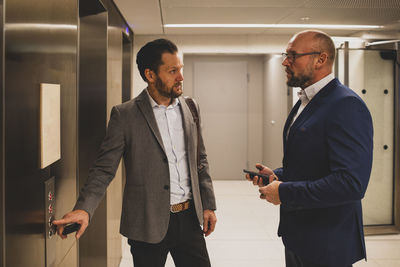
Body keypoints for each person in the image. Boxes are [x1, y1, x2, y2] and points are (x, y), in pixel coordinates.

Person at [53, 38, 217, 267]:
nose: (180, 77)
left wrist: (208, 204)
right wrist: (84, 209)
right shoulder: (125, 115)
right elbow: (103, 169)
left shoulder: (191, 108)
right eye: (172, 71)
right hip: (146, 223)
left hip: (189, 218)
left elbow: (200, 159)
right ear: (150, 75)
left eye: (180, 69)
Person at [246, 30, 373, 267]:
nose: (285, 61)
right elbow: (312, 164)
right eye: (286, 55)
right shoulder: (306, 101)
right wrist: (277, 176)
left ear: (321, 59)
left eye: (293, 55)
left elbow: (351, 183)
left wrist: (284, 192)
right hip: (299, 236)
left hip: (327, 243)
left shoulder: (346, 105)